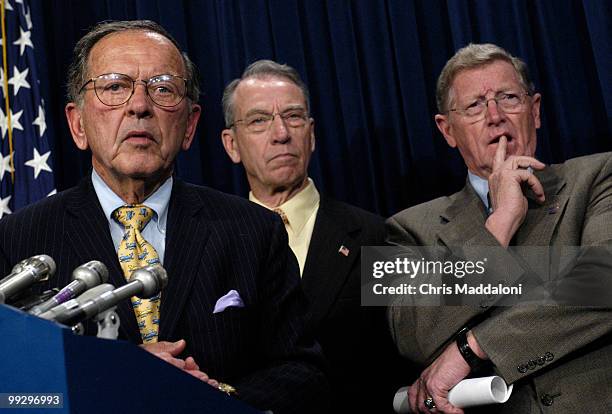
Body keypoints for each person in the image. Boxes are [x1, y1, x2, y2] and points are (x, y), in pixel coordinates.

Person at [0, 20, 329, 413]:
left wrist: (211, 399)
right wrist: (119, 379)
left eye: (163, 89)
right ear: (78, 124)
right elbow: (12, 389)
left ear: (189, 126)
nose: (139, 106)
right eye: (115, 87)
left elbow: (302, 371)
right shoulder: (18, 240)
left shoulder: (254, 231)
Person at [387, 43, 612, 413]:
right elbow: (412, 335)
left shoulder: (599, 177)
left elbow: (602, 281)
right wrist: (498, 224)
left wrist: (473, 345)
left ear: (535, 110)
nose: (495, 116)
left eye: (508, 97)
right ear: (447, 130)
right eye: (475, 105)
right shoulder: (408, 228)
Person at [220, 59, 406, 412]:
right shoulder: (212, 242)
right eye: (259, 120)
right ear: (231, 144)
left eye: (293, 117)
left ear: (312, 133)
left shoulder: (375, 236)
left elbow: (421, 338)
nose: (281, 134)